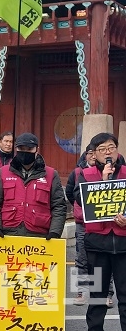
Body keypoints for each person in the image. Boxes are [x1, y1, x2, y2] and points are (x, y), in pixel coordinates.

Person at [75, 133, 126, 328]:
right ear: (94, 154)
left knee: (125, 295)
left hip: (123, 243)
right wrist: (103, 182)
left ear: (117, 149)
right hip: (97, 243)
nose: (107, 152)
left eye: (111, 147)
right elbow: (80, 199)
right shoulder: (85, 175)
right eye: (102, 149)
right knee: (97, 296)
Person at [0, 132, 66, 238]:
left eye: (29, 149)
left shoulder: (51, 174)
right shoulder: (3, 172)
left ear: (36, 149)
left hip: (40, 235)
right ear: (16, 149)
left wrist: (55, 232)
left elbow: (59, 206)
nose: (25, 152)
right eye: (21, 149)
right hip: (7, 233)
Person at [67, 143, 115, 307]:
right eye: (90, 153)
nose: (93, 156)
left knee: (107, 260)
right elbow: (71, 193)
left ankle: (107, 294)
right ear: (86, 155)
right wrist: (81, 210)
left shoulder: (112, 170)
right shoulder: (78, 173)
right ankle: (82, 291)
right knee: (81, 259)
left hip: (107, 223)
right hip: (83, 224)